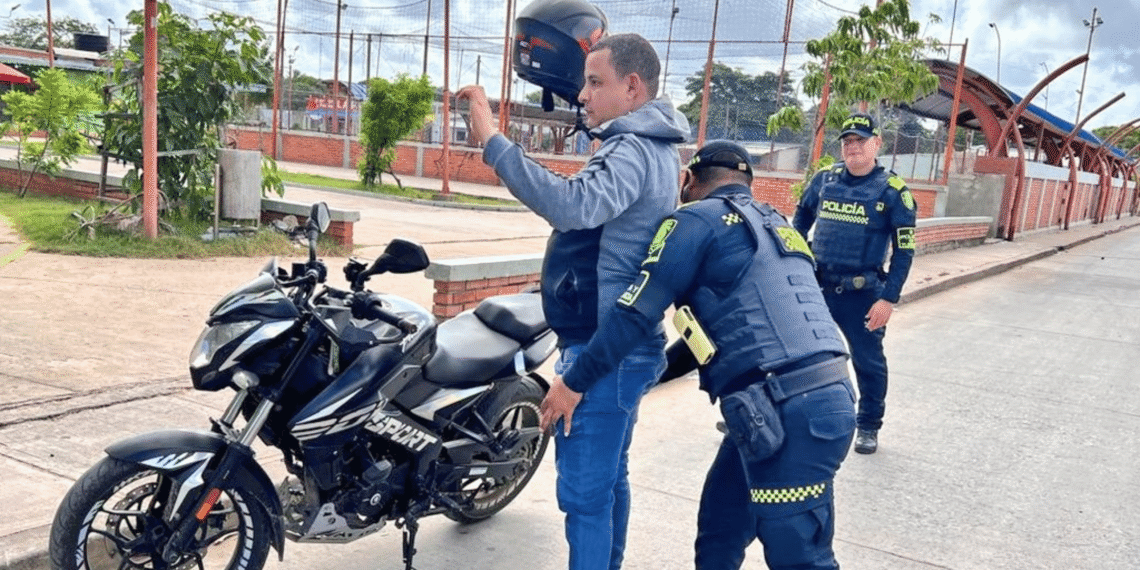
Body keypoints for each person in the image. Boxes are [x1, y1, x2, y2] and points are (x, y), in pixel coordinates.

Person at [543, 140, 857, 570]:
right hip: (799, 400)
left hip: (788, 412)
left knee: (800, 559)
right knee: (719, 533)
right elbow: (713, 337)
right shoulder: (774, 221)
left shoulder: (693, 221)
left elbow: (635, 312)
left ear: (688, 180)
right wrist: (649, 376)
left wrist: (575, 382)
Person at [456, 32, 689, 570]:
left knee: (584, 496)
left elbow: (571, 205)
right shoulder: (654, 146)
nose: (582, 95)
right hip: (622, 344)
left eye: (594, 82)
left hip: (602, 352)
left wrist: (493, 140)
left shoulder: (632, 149)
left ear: (632, 87)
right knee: (608, 480)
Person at [792, 112, 918, 454]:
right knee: (789, 349)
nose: (853, 147)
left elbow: (904, 251)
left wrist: (888, 299)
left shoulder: (893, 191)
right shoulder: (824, 179)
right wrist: (797, 259)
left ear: (877, 144)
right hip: (816, 286)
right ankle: (768, 415)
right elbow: (801, 219)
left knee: (868, 362)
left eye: (861, 141)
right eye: (848, 141)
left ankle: (868, 426)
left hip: (862, 294)